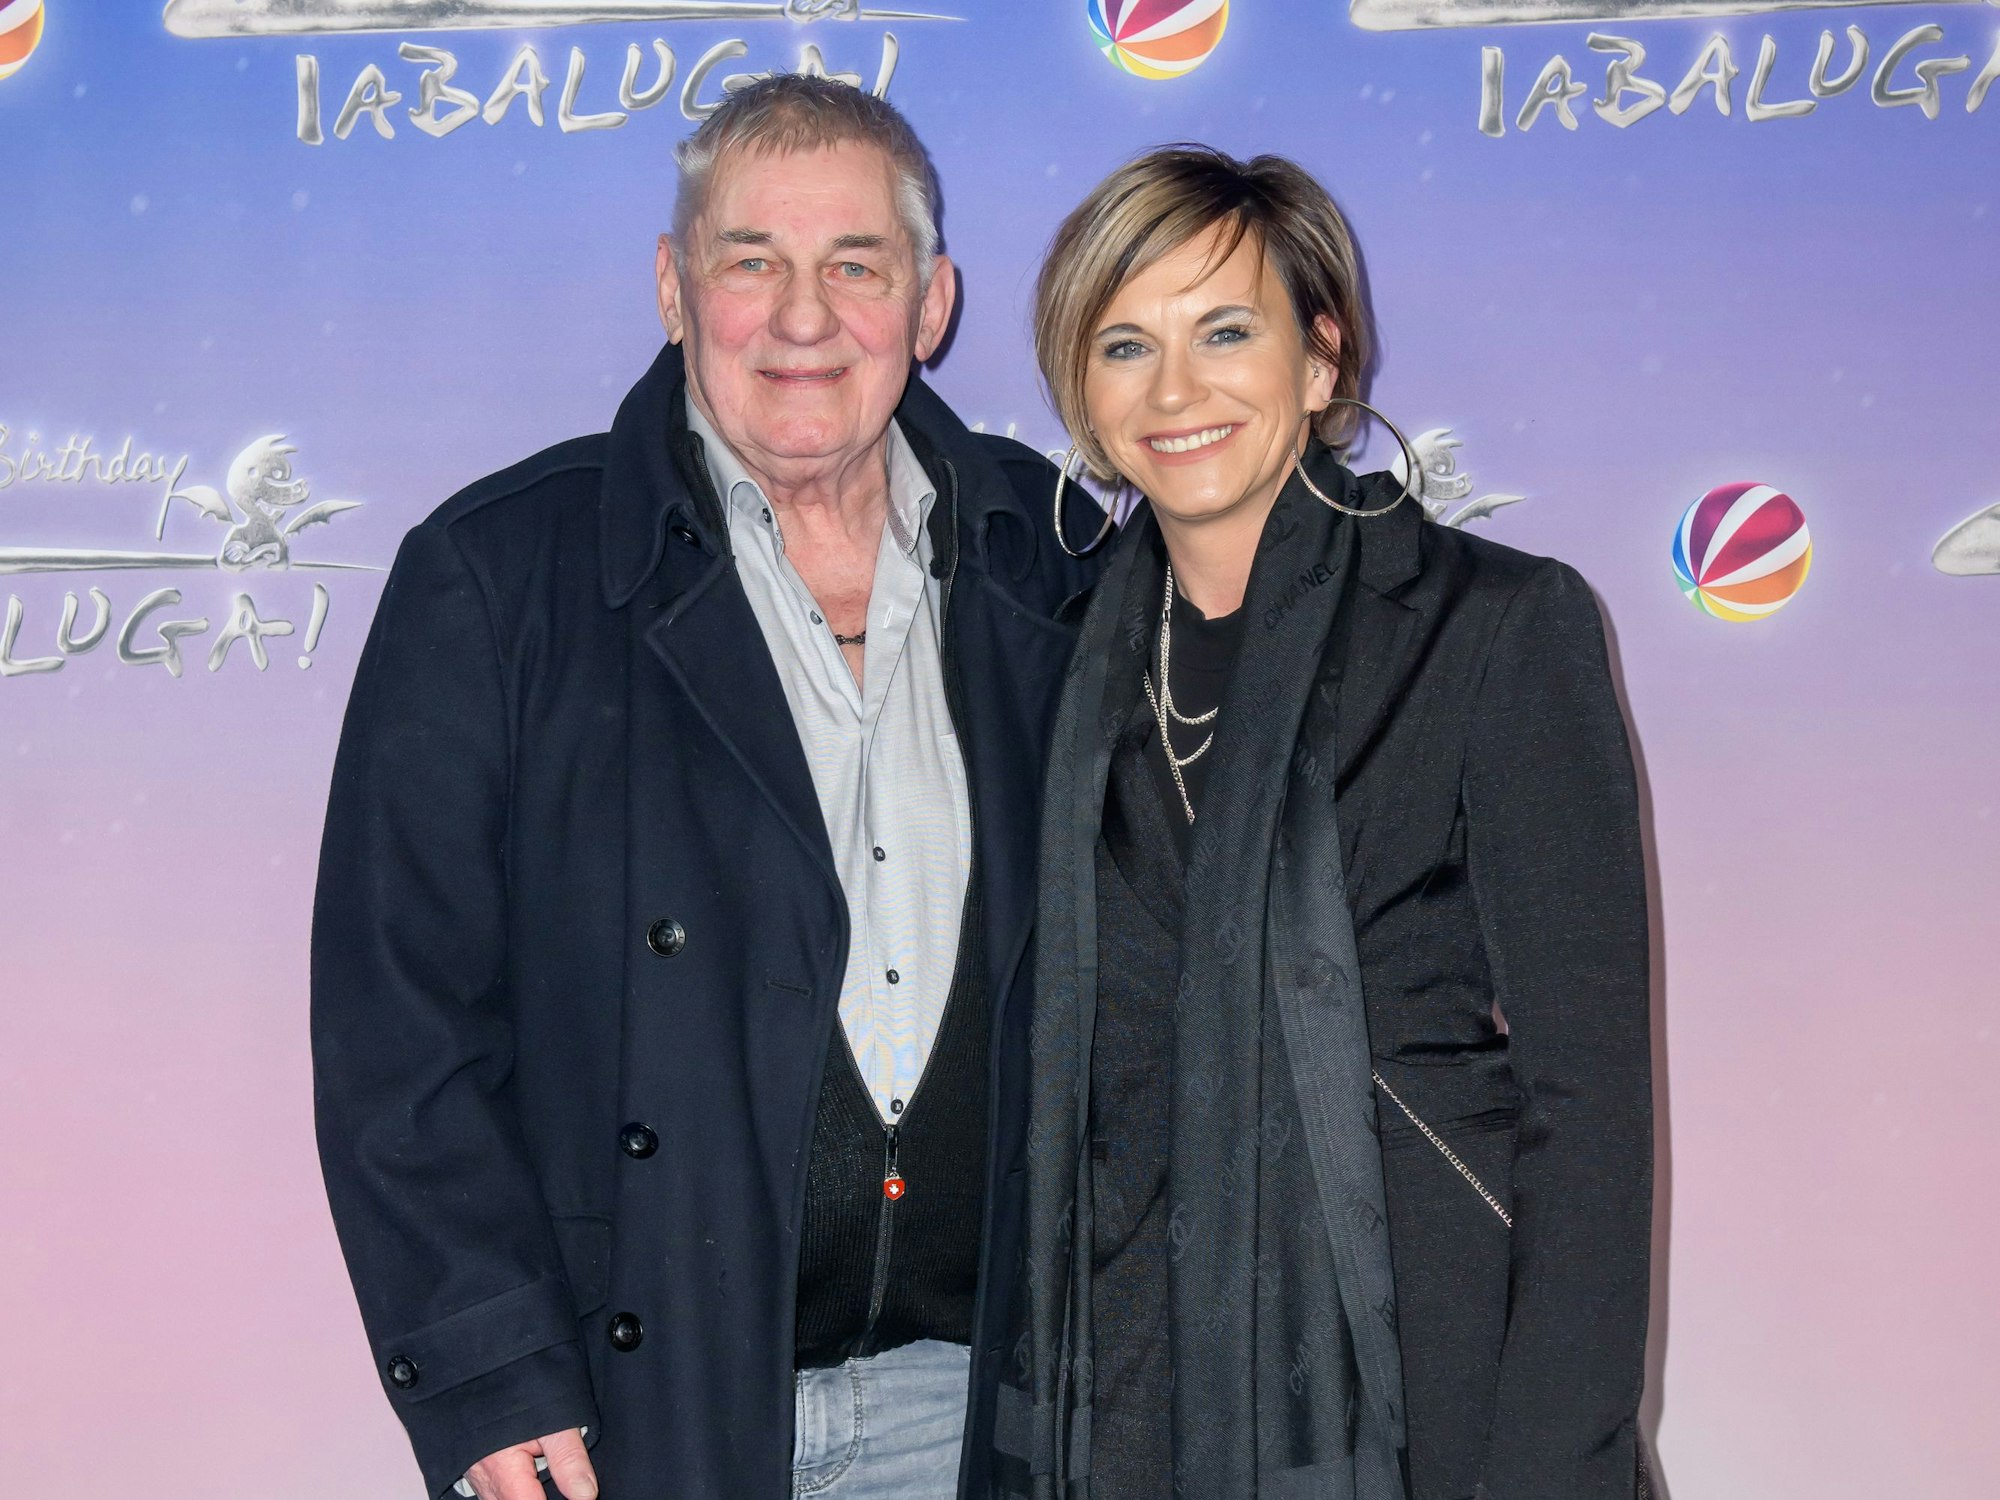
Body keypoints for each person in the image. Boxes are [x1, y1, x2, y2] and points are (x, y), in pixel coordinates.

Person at [311, 76, 1104, 1500]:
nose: (803, 318)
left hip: (988, 1413)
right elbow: (400, 1023)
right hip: (640, 1416)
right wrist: (488, 1369)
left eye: (856, 265)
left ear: (931, 306)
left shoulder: (1052, 559)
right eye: (751, 262)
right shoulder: (497, 577)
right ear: (675, 292)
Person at [997, 145, 1653, 1500]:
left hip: (1428, 1382)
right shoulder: (1053, 669)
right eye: (1125, 345)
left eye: (1225, 331)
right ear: (1081, 392)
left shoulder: (1493, 628)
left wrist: (1554, 1464)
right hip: (1125, 1396)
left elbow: (1587, 1106)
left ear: (1321, 355)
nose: (1174, 391)